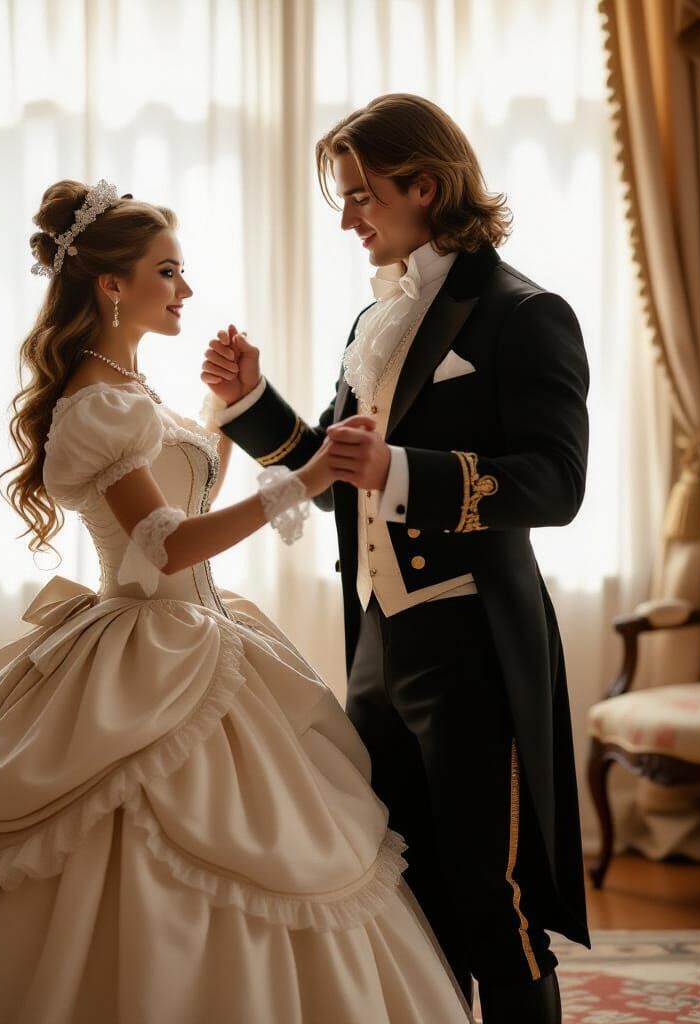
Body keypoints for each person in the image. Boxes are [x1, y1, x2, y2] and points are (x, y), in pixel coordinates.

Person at [0, 180, 473, 1024]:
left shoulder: (130, 389)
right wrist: (309, 478)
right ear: (112, 285)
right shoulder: (94, 403)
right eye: (168, 272)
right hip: (146, 637)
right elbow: (165, 545)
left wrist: (227, 408)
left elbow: (189, 492)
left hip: (198, 629)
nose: (184, 290)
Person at [203, 94, 591, 1024]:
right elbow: (341, 473)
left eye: (360, 196)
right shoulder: (373, 320)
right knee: (404, 896)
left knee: (494, 904)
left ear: (425, 185)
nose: (346, 218)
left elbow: (556, 484)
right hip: (377, 643)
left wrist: (406, 469)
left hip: (477, 650)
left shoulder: (525, 314)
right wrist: (253, 400)